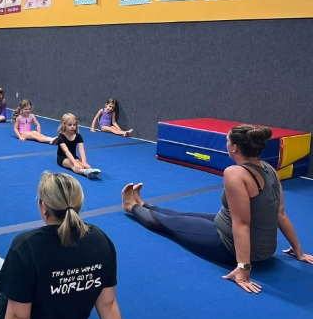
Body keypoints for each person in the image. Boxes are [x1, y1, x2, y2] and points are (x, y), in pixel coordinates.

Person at [121, 124, 313, 294]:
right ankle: (144, 204)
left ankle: (131, 206)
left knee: (169, 224)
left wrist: (243, 268)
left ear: (234, 147)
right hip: (265, 248)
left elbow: (242, 223)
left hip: (229, 246)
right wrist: (299, 251)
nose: (226, 144)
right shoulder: (270, 169)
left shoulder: (236, 173)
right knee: (182, 214)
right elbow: (280, 213)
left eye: (227, 141)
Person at [0, 171, 131, 319]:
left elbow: (18, 318)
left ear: (43, 207)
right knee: (9, 271)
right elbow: (107, 304)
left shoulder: (27, 245)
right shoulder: (99, 239)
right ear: (78, 204)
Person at [56, 113, 101, 179]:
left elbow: (81, 150)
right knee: (72, 165)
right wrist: (74, 162)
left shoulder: (78, 136)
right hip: (62, 158)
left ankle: (90, 171)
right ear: (64, 125)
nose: (72, 126)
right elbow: (66, 151)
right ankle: (86, 172)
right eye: (69, 125)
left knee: (82, 165)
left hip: (73, 156)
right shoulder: (61, 137)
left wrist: (84, 162)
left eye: (74, 125)